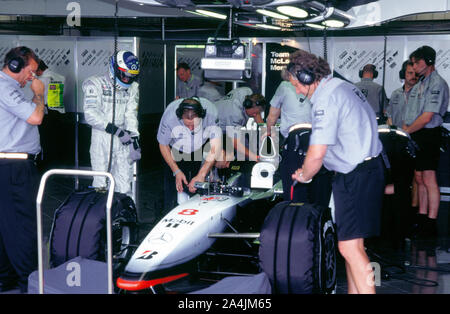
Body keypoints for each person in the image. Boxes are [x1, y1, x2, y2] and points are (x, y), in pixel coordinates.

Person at [289, 49, 385, 294]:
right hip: (366, 170)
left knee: (349, 249)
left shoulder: (325, 99)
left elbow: (317, 153)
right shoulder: (341, 86)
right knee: (354, 247)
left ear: (309, 78)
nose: (297, 91)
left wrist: (303, 175)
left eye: (296, 84)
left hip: (356, 174)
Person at [0, 46, 45, 293]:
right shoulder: (5, 87)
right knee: (24, 226)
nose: (33, 77)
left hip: (8, 165)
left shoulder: (9, 88)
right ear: (16, 65)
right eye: (32, 71)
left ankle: (6, 280)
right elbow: (36, 117)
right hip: (14, 167)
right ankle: (29, 282)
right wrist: (39, 94)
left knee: (6, 225)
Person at [402, 45, 449, 238]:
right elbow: (411, 113)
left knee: (429, 178)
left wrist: (406, 132)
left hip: (429, 135)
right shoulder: (420, 83)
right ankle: (421, 217)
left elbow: (428, 116)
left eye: (417, 62)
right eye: (412, 62)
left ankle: (431, 222)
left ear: (428, 62)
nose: (414, 66)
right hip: (417, 134)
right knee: (419, 178)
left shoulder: (436, 83)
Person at [266, 73, 332, 206]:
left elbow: (272, 117)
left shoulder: (284, 86)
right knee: (320, 192)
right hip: (319, 141)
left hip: (295, 141)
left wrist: (268, 133)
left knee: (294, 193)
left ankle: (295, 219)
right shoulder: (319, 87)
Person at [83, 50, 141, 197]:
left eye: (131, 77)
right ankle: (102, 217)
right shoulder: (94, 84)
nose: (128, 80)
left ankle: (123, 217)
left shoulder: (133, 88)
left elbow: (131, 114)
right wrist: (117, 131)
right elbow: (90, 115)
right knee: (101, 183)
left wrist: (134, 138)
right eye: (125, 76)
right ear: (114, 68)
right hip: (102, 137)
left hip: (123, 140)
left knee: (124, 182)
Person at [157, 97, 223, 211]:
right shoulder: (169, 117)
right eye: (187, 125)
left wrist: (202, 174)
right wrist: (176, 171)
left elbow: (215, 145)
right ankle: (168, 212)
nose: (191, 129)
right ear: (180, 117)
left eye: (194, 125)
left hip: (200, 145)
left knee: (197, 185)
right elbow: (163, 144)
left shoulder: (211, 114)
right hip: (175, 148)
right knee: (172, 189)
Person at [216, 87, 265, 162]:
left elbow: (256, 113)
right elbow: (236, 143)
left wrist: (264, 132)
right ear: (248, 105)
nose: (255, 115)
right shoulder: (236, 116)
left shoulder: (246, 92)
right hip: (211, 127)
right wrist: (256, 158)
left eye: (258, 112)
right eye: (254, 112)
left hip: (217, 106)